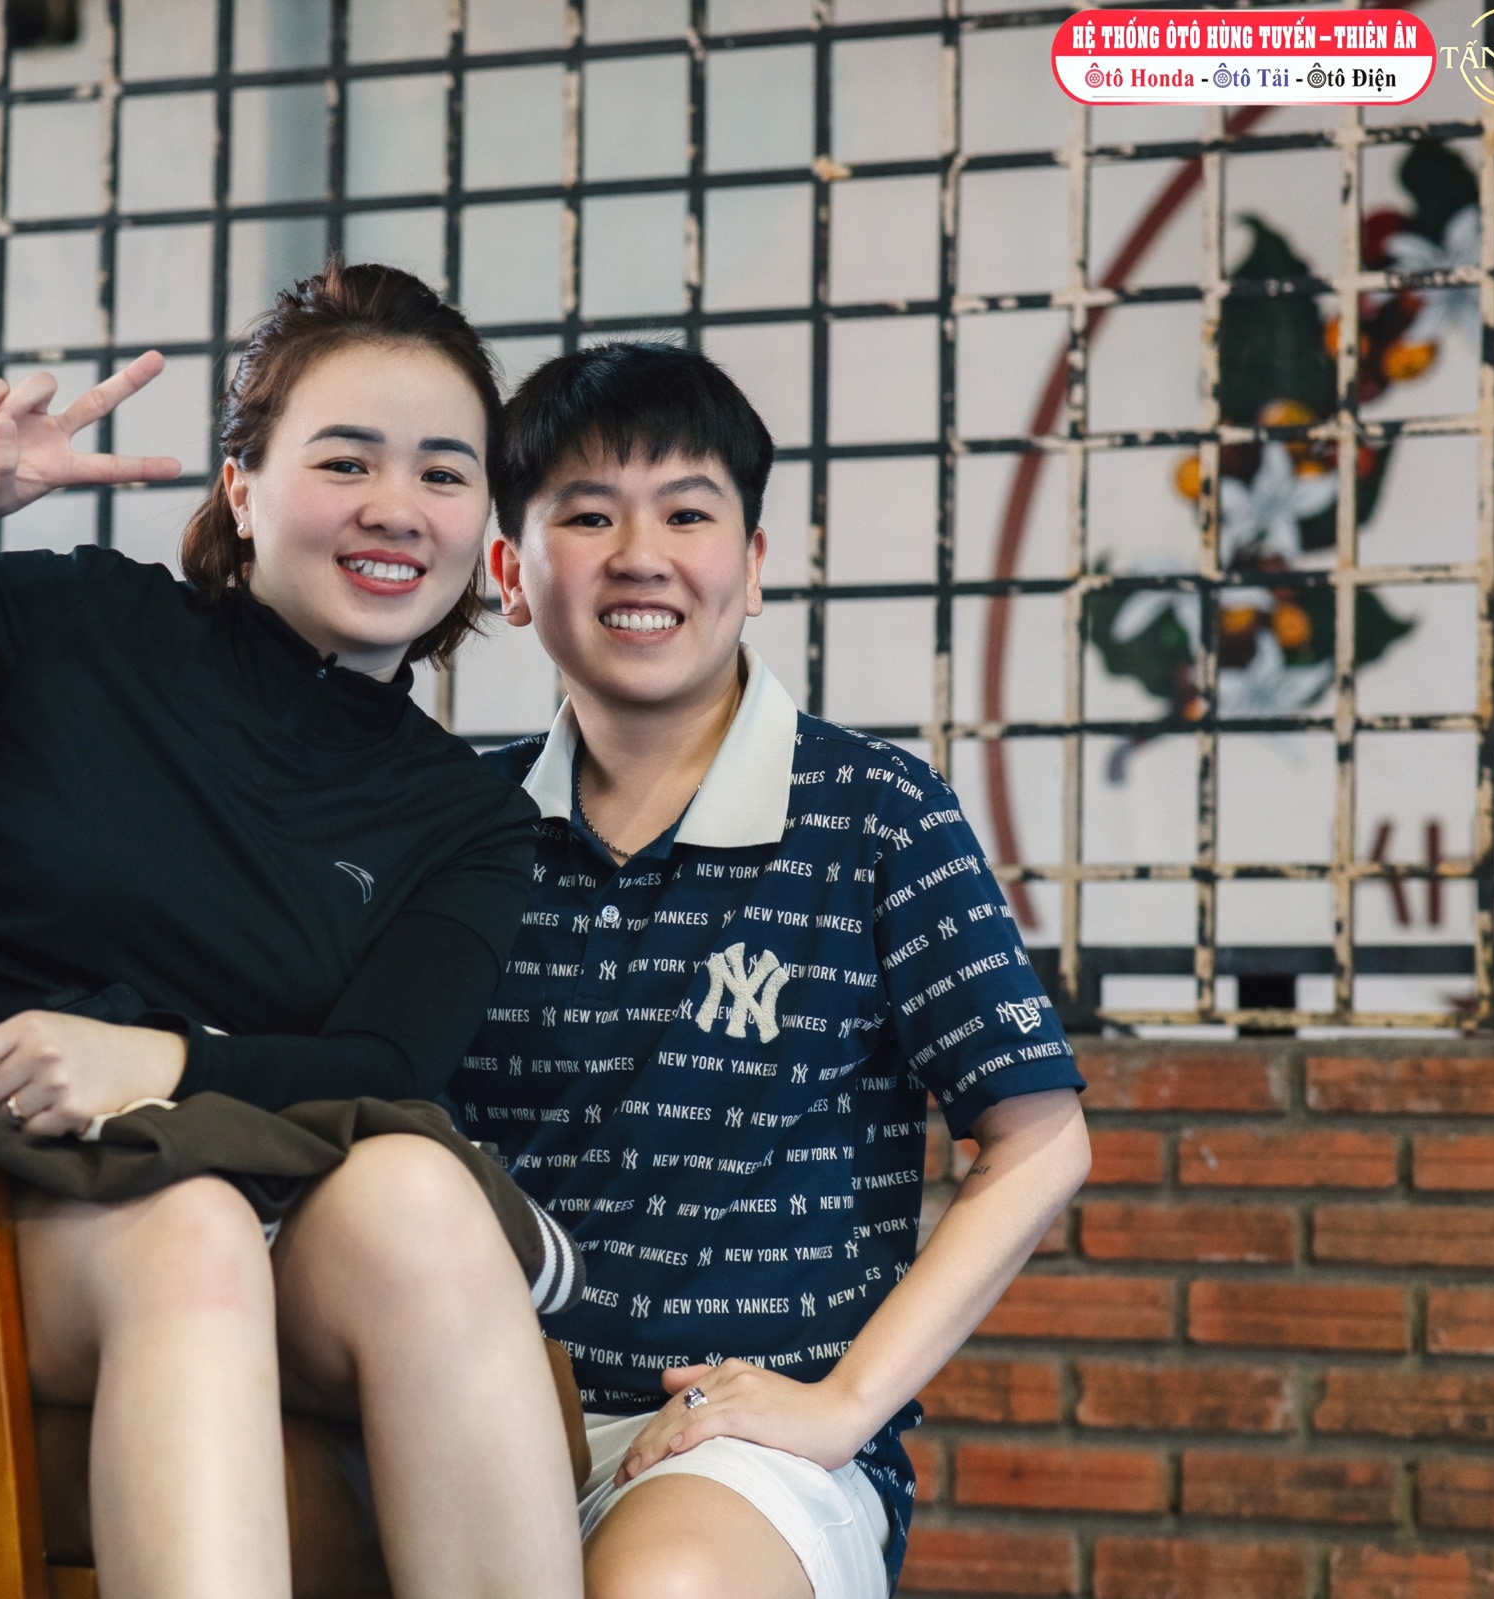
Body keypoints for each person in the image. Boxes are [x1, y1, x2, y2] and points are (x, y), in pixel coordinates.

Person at [0, 264, 583, 1599]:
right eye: (345, 460)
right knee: (193, 1226)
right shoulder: (78, 622)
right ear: (243, 489)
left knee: (421, 1190)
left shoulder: (469, 817)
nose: (395, 506)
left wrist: (159, 1058)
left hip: (254, 1189)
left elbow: (384, 1066)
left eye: (443, 473)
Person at [449, 343, 1092, 1599]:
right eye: (589, 514)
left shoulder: (877, 814)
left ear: (750, 566)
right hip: (469, 1423)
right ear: (511, 575)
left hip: (744, 1453)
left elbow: (1041, 1142)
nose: (641, 554)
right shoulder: (459, 830)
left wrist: (841, 1407)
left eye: (688, 513)